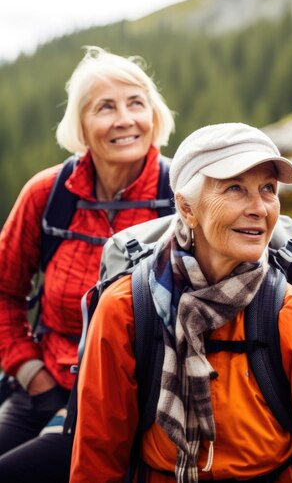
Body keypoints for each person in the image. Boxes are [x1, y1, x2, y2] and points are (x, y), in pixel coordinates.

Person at [69, 122, 292, 483]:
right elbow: (97, 461)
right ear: (187, 209)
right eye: (235, 188)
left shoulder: (285, 310)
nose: (259, 208)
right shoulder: (127, 308)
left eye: (268, 189)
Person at [0, 46, 175, 483]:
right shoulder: (49, 194)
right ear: (80, 125)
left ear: (154, 116)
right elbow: (4, 291)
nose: (124, 119)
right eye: (105, 107)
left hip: (131, 403)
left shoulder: (180, 197)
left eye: (136, 103)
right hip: (45, 384)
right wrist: (30, 371)